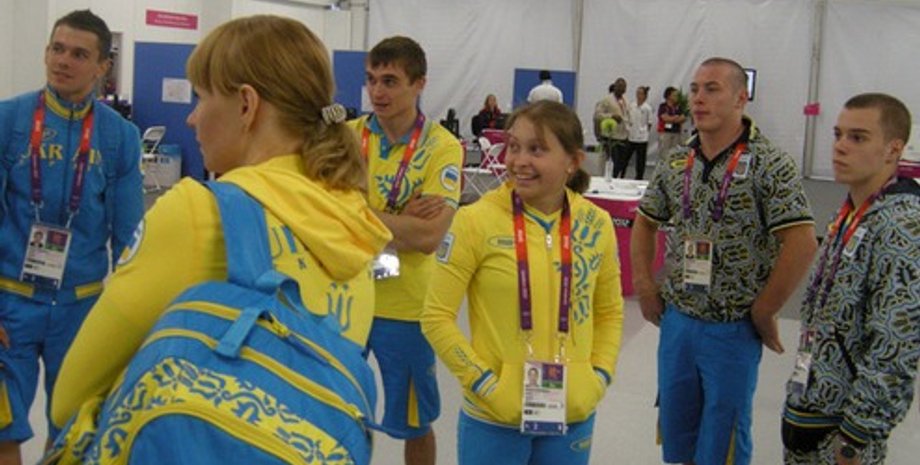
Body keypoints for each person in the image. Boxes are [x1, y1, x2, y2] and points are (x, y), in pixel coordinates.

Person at [50, 12, 392, 450]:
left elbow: (69, 399)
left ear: (246, 105)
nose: (192, 119)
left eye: (202, 97)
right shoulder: (353, 218)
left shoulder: (199, 212)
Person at [631, 57, 818, 465]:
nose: (698, 99)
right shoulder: (677, 160)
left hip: (732, 327)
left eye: (712, 89)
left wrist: (766, 309)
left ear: (740, 98)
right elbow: (644, 222)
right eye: (694, 89)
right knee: (677, 430)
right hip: (678, 321)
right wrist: (645, 286)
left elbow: (802, 242)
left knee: (724, 438)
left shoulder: (771, 164)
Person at [423, 100, 624, 465]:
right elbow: (435, 317)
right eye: (514, 146)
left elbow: (609, 312)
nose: (518, 161)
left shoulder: (596, 224)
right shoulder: (474, 221)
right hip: (492, 417)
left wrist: (599, 376)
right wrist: (484, 384)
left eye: (537, 149)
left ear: (573, 161)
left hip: (571, 414)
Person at [0, 10, 143, 463]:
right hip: (11, 303)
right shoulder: (8, 120)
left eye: (79, 54)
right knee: (2, 428)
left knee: (72, 432)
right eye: (57, 49)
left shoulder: (120, 137)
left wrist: (128, 320)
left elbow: (129, 239)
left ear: (102, 66)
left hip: (82, 309)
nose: (63, 61)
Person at [782, 93, 920, 465]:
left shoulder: (902, 226)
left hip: (845, 433)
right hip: (811, 408)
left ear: (893, 149)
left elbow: (895, 343)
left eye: (857, 137)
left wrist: (856, 437)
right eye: (837, 134)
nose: (840, 146)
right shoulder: (850, 212)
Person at [349, 35, 463, 465]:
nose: (377, 91)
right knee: (341, 406)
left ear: (419, 84)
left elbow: (428, 237)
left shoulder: (442, 147)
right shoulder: (346, 137)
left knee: (416, 421)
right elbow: (321, 214)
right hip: (345, 296)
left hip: (407, 307)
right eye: (371, 79)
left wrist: (356, 213)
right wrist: (399, 218)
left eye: (390, 81)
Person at [593, 80, 628, 177]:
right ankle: (610, 178)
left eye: (624, 87)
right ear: (615, 86)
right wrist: (611, 116)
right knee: (612, 161)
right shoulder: (606, 100)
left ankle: (615, 178)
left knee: (621, 163)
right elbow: (597, 115)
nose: (622, 89)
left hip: (623, 135)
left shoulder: (625, 101)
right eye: (619, 86)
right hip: (610, 136)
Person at [625, 85, 654, 179]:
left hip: (642, 138)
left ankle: (639, 177)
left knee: (640, 160)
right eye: (637, 93)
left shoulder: (647, 108)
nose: (638, 95)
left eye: (641, 93)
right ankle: (621, 175)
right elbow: (628, 118)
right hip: (631, 136)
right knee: (625, 158)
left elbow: (649, 123)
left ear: (645, 96)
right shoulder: (631, 105)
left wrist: (644, 132)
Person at [657, 86, 687, 160]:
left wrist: (672, 119)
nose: (676, 97)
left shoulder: (678, 107)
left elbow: (683, 118)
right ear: (669, 96)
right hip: (665, 133)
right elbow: (665, 118)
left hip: (676, 132)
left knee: (675, 153)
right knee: (664, 153)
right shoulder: (663, 106)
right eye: (674, 95)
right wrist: (676, 117)